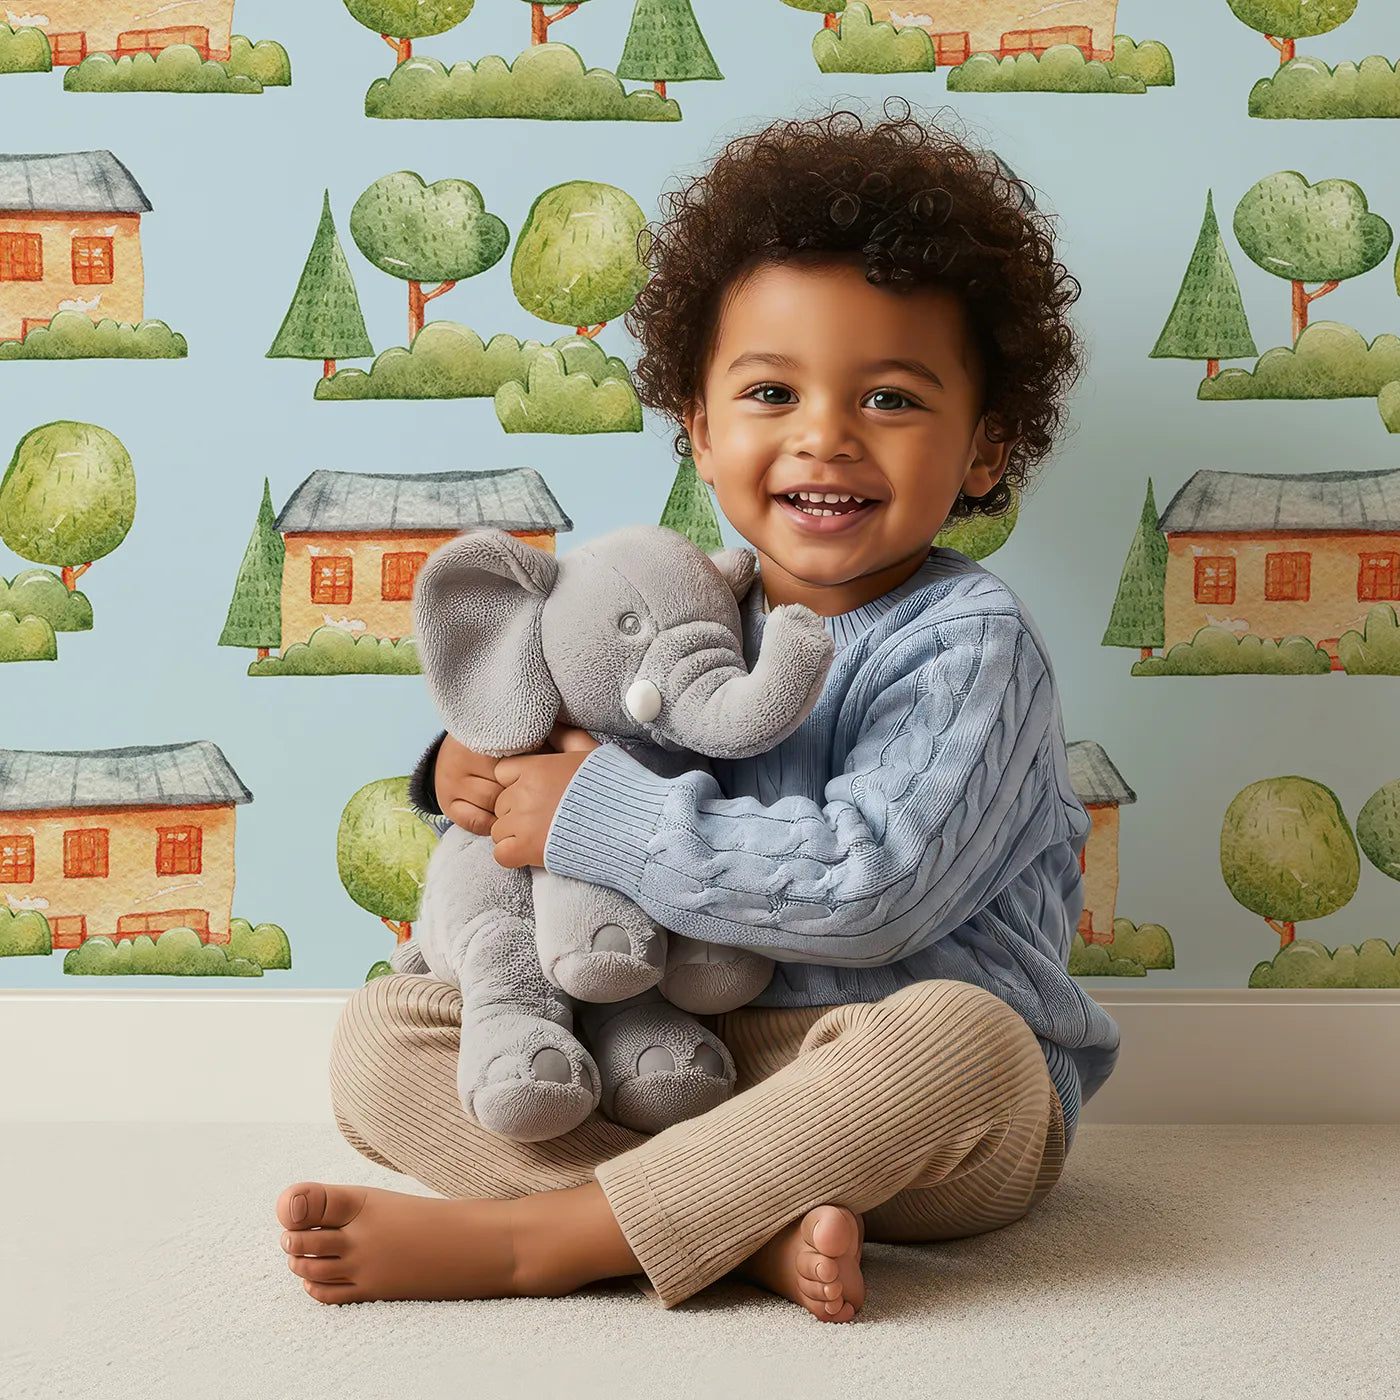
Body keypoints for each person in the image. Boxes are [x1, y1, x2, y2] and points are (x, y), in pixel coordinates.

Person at [274, 101, 1120, 1323]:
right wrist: (479, 764)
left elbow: (867, 885)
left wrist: (594, 817)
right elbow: (562, 727)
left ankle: (544, 1234)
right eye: (771, 390)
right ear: (701, 429)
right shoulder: (669, 604)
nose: (822, 435)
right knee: (382, 1034)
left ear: (985, 447)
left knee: (964, 1042)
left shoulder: (967, 641)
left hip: (874, 1084)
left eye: (888, 398)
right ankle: (731, 1229)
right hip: (674, 1055)